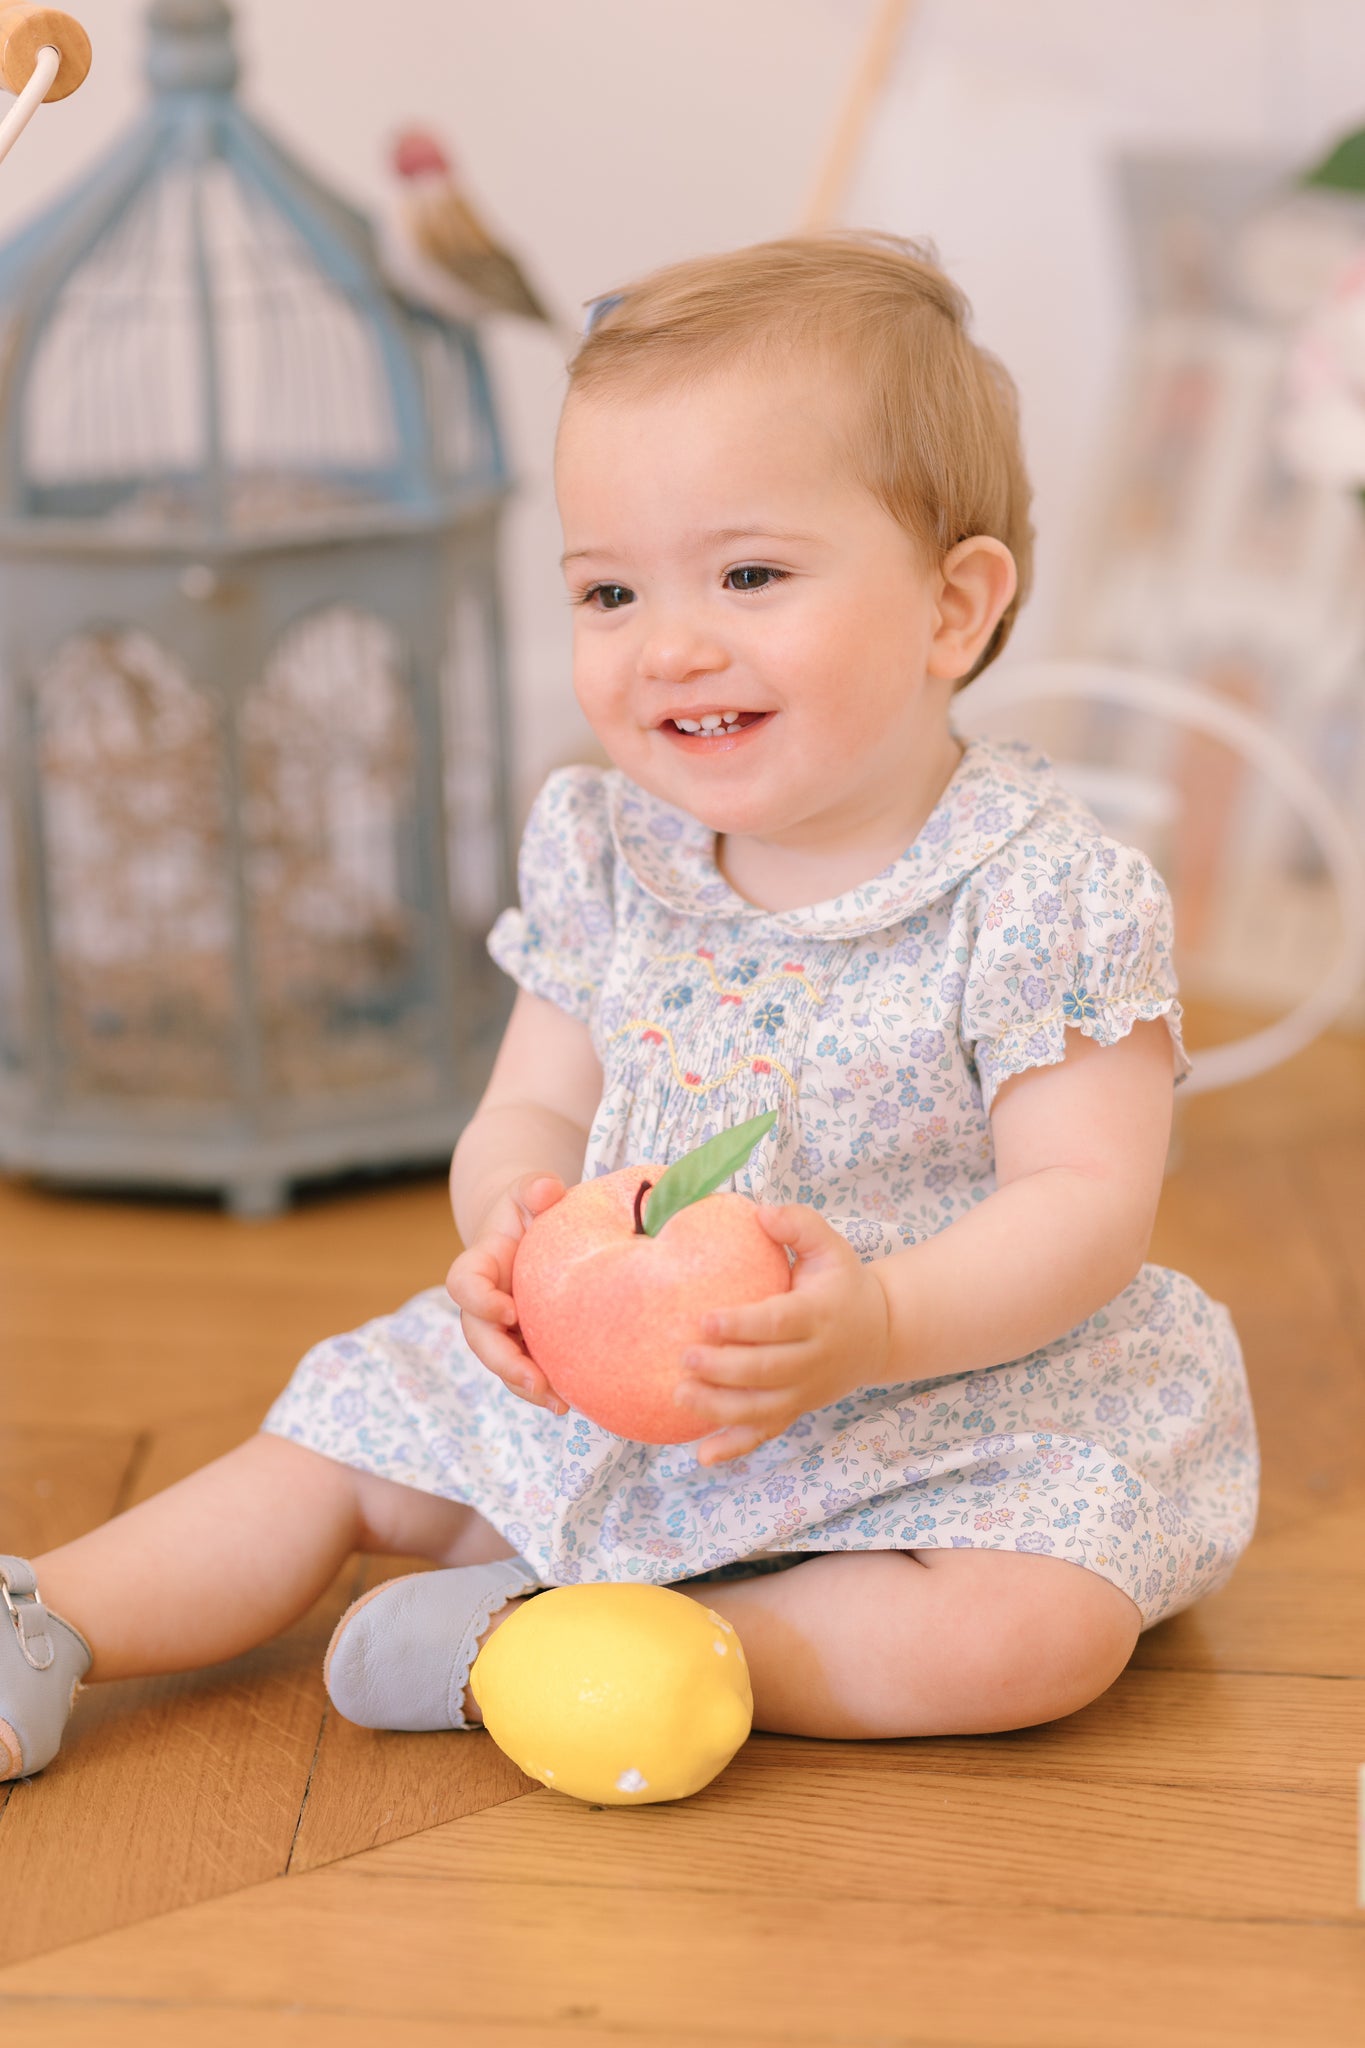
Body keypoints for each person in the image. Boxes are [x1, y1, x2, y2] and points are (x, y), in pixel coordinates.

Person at [1, 234, 1259, 1779]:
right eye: (607, 589)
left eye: (749, 575)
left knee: (1030, 1631)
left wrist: (872, 1322)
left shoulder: (1040, 892)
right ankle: (50, 1617)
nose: (668, 642)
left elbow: (1083, 1201)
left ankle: (591, 1640)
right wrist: (509, 1233)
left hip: (933, 1409)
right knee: (328, 1449)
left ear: (952, 609)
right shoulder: (613, 849)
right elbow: (529, 1105)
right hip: (616, 1390)